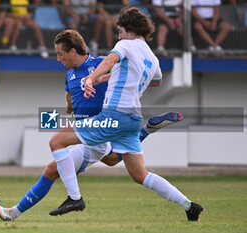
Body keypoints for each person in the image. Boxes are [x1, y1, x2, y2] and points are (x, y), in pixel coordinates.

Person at [0, 29, 185, 221]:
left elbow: (126, 75)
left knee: (55, 159)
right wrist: (70, 106)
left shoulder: (101, 63)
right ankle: (148, 129)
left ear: (73, 51)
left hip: (102, 127)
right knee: (111, 160)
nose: (58, 59)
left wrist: (100, 79)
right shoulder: (69, 76)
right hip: (89, 132)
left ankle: (59, 202)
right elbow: (70, 96)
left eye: (60, 54)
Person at [46, 8, 203, 221]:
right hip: (132, 117)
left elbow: (110, 60)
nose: (118, 36)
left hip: (114, 114)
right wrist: (108, 78)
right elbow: (156, 81)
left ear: (129, 30)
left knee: (56, 141)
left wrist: (92, 79)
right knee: (139, 174)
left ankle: (74, 198)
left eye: (119, 31)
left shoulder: (125, 44)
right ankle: (189, 205)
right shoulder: (151, 56)